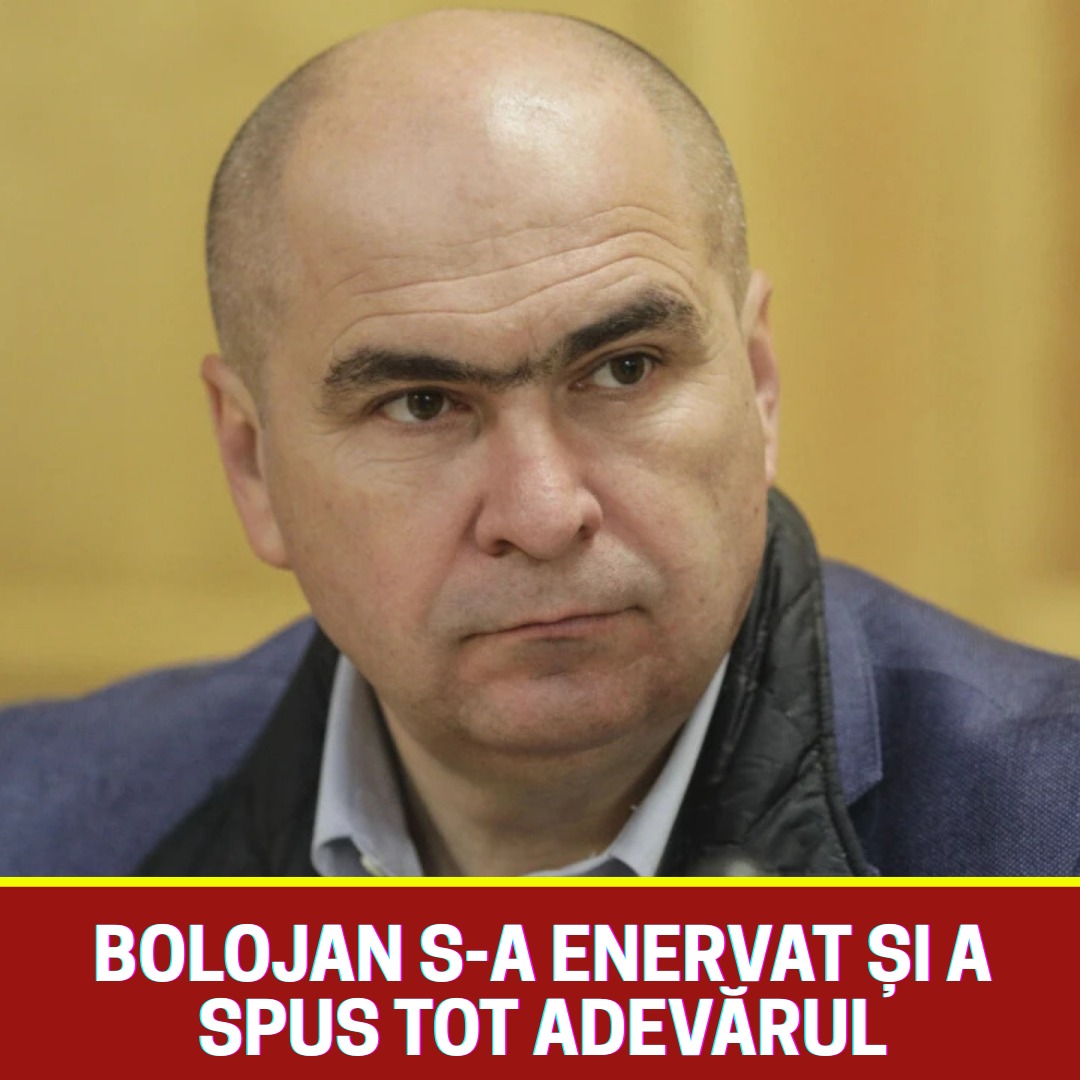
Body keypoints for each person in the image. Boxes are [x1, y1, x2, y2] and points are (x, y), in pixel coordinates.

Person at [2, 9, 1078, 878]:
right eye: (421, 404)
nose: (544, 512)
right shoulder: (37, 845)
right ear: (252, 463)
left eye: (624, 370)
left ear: (756, 384)